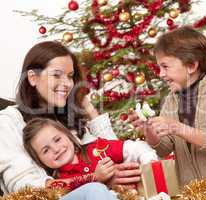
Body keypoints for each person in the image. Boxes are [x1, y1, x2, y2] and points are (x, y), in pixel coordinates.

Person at [0, 41, 140, 197]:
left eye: (70, 76)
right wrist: (95, 179)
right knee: (95, 190)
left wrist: (88, 107)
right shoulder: (8, 122)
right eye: (56, 75)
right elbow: (26, 189)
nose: (67, 84)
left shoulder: (67, 118)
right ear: (33, 78)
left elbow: (111, 154)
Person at [129, 26, 206, 186]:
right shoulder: (171, 101)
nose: (161, 74)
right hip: (192, 192)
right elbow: (164, 148)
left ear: (191, 66)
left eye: (165, 66)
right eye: (159, 67)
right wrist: (149, 131)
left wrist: (176, 127)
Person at [22, 117, 157, 189]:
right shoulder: (60, 182)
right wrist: (96, 178)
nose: (56, 149)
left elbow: (134, 147)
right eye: (46, 150)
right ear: (39, 160)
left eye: (57, 140)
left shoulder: (96, 150)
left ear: (67, 135)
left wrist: (149, 163)